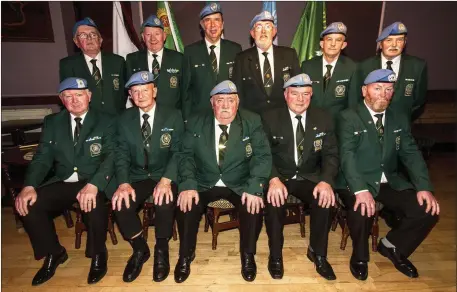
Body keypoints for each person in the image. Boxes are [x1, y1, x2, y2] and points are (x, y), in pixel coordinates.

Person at [335, 69, 439, 281]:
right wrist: (360, 190)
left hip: (388, 181)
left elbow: (411, 154)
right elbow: (347, 156)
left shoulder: (398, 117)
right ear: (365, 91)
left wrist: (424, 187)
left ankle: (393, 246)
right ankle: (360, 257)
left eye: (389, 89)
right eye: (378, 88)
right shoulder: (348, 117)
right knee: (361, 208)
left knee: (427, 210)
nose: (383, 93)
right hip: (356, 180)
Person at [15, 77, 117, 285]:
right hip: (63, 180)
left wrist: (94, 184)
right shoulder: (53, 122)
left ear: (89, 96)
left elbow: (112, 156)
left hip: (93, 179)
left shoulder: (107, 120)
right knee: (29, 204)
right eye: (68, 96)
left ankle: (98, 254)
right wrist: (29, 186)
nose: (75, 100)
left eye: (79, 95)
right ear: (61, 100)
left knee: (93, 204)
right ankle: (54, 252)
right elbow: (42, 158)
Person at [174, 80, 271, 283]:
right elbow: (185, 156)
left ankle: (248, 255)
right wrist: (188, 185)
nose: (225, 106)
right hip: (203, 181)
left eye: (230, 100)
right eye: (220, 100)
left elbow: (262, 156)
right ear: (212, 103)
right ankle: (185, 255)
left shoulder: (251, 121)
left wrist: (255, 187)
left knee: (253, 206)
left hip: (239, 182)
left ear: (238, 102)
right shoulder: (196, 121)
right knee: (185, 205)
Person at [261, 73, 339, 280]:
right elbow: (263, 154)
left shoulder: (323, 117)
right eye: (295, 94)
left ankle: (318, 253)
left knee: (324, 201)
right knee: (274, 202)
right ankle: (275, 255)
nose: (300, 99)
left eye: (305, 94)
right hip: (281, 176)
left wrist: (326, 181)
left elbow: (331, 154)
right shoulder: (269, 117)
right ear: (286, 95)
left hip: (309, 176)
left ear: (311, 95)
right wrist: (273, 179)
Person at [111, 71, 184, 283]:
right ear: (130, 96)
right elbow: (121, 154)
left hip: (165, 174)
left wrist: (166, 180)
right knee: (120, 204)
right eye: (135, 92)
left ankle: (162, 247)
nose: (141, 95)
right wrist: (123, 183)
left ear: (155, 91)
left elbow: (179, 151)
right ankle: (140, 248)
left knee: (164, 200)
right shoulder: (123, 119)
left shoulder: (173, 115)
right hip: (137, 176)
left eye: (145, 90)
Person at [181, 2, 242, 121]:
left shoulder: (235, 49)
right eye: (208, 20)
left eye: (217, 20)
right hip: (200, 117)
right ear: (202, 25)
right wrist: (187, 120)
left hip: (228, 115)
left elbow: (239, 87)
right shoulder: (191, 52)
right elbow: (186, 91)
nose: (213, 25)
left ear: (222, 24)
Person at [355, 22, 427, 120]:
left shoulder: (417, 66)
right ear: (380, 44)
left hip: (402, 125)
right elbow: (357, 98)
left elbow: (419, 101)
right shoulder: (364, 66)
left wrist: (404, 120)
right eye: (389, 40)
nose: (394, 45)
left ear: (405, 43)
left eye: (399, 40)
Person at [233, 11, 300, 115]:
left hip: (283, 119)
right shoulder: (241, 59)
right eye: (259, 27)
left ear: (274, 32)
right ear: (252, 33)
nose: (263, 31)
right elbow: (238, 95)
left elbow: (298, 89)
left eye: (268, 27)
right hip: (253, 122)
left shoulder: (289, 55)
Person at [60, 17, 126, 115]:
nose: (89, 38)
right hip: (88, 123)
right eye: (83, 35)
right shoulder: (68, 65)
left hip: (116, 120)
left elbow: (123, 93)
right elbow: (67, 97)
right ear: (76, 42)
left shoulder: (117, 61)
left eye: (93, 34)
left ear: (100, 40)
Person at [301, 22, 358, 118]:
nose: (333, 44)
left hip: (338, 124)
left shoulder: (352, 67)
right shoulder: (307, 66)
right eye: (329, 39)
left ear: (343, 45)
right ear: (322, 43)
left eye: (338, 40)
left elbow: (353, 103)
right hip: (311, 121)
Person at [126, 15, 183, 109]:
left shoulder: (178, 58)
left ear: (164, 36)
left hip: (172, 116)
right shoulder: (132, 60)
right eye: (148, 35)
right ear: (143, 37)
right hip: (144, 116)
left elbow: (185, 92)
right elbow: (130, 91)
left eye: (157, 34)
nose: (153, 39)